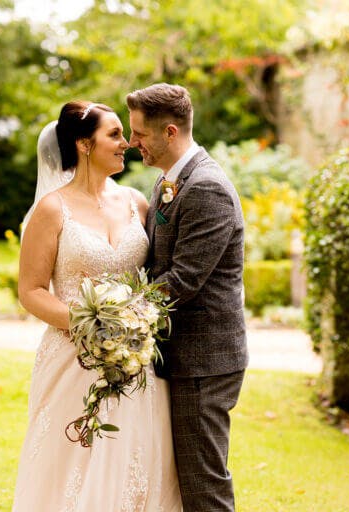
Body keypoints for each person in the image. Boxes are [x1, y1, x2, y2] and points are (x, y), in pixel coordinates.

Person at [12, 100, 182, 512]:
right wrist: (90, 326)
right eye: (114, 135)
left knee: (133, 459)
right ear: (84, 144)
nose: (126, 142)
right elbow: (31, 290)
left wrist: (132, 325)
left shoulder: (137, 203)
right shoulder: (51, 210)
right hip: (72, 359)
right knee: (74, 460)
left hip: (135, 359)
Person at [127, 83, 248, 512]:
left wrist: (117, 312)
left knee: (203, 486)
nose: (131, 142)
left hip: (204, 360)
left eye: (139, 134)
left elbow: (183, 279)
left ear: (171, 132)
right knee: (185, 481)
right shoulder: (172, 179)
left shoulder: (206, 187)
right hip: (181, 355)